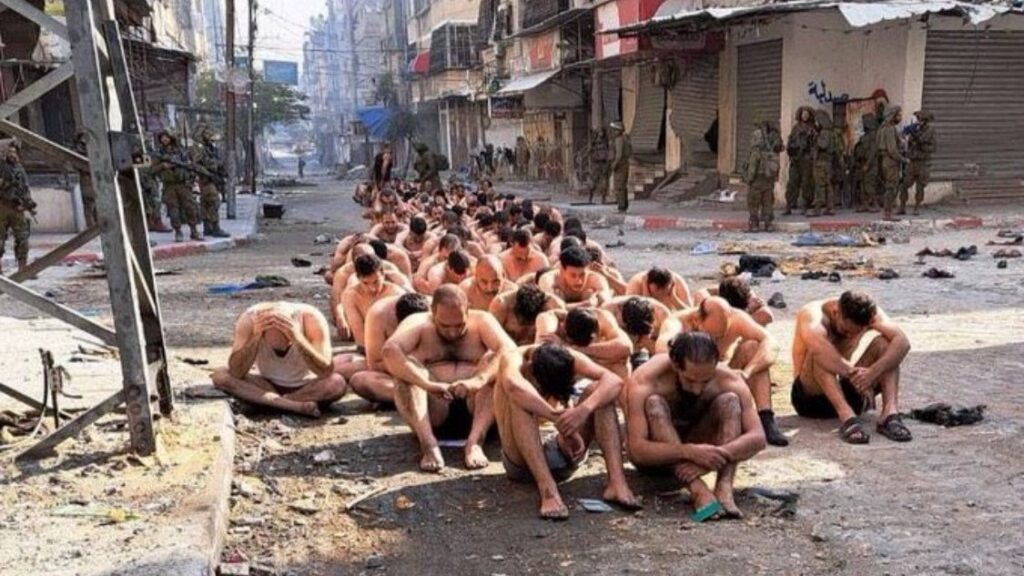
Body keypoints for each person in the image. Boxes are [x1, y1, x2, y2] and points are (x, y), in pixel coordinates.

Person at [626, 332, 767, 519]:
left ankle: (724, 489)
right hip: (659, 460)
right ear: (675, 364)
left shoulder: (728, 378)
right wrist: (688, 452)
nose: (697, 389)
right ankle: (698, 491)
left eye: (705, 381)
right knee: (654, 404)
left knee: (730, 401)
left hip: (704, 453)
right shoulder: (646, 380)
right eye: (690, 380)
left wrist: (715, 456)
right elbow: (637, 449)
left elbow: (758, 437)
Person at [495, 343, 641, 519]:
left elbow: (614, 381)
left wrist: (584, 410)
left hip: (564, 449)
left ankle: (617, 483)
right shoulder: (514, 358)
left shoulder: (569, 357)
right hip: (521, 459)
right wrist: (560, 421)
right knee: (519, 400)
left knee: (600, 392)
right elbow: (513, 386)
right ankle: (548, 491)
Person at [382, 285, 517, 471]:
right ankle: (428, 445)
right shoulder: (418, 323)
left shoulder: (482, 320)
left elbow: (509, 349)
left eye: (460, 324)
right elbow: (390, 351)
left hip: (477, 406)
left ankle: (475, 442)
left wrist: (478, 381)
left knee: (494, 361)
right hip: (434, 409)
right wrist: (427, 384)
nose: (453, 332)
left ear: (467, 311)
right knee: (406, 370)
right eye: (445, 326)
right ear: (433, 312)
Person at [655, 296, 786, 446]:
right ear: (697, 320)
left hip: (722, 380)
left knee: (753, 347)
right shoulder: (676, 323)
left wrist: (748, 372)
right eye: (712, 336)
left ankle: (766, 417)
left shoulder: (738, 318)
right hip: (689, 384)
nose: (716, 340)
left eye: (720, 336)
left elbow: (771, 343)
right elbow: (662, 351)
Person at [792, 291, 912, 444]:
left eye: (855, 333)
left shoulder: (871, 314)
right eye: (845, 330)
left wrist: (872, 373)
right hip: (810, 398)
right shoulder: (813, 314)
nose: (849, 336)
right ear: (836, 313)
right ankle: (847, 418)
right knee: (820, 352)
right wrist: (854, 374)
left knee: (887, 345)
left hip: (849, 390)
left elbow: (903, 342)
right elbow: (820, 350)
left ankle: (889, 414)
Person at [211, 302, 345, 417]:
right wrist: (256, 337)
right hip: (266, 385)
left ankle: (274, 404)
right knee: (221, 376)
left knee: (337, 383)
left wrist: (297, 338)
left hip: (306, 386)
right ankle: (292, 406)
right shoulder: (248, 320)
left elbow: (325, 370)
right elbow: (236, 371)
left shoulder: (311, 318)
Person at [336, 292, 431, 404]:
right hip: (398, 373)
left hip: (435, 374)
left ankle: (425, 397)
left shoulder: (441, 312)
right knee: (360, 380)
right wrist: (406, 366)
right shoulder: (379, 314)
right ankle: (423, 398)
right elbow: (375, 364)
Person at [535, 307, 633, 380]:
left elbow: (626, 347)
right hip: (562, 376)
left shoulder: (602, 317)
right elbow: (542, 360)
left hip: (592, 376)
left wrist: (571, 348)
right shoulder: (549, 323)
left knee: (621, 366)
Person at [339, 254, 407, 349]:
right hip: (366, 345)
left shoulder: (396, 293)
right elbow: (359, 336)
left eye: (376, 282)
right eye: (365, 283)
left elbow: (405, 331)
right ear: (358, 278)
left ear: (383, 275)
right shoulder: (350, 296)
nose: (372, 288)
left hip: (395, 344)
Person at [153, 130, 201, 242]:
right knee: (173, 210)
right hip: (169, 185)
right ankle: (178, 231)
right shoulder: (159, 153)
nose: (164, 139)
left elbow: (190, 166)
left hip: (183, 184)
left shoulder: (181, 151)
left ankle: (194, 230)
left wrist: (190, 179)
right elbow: (152, 170)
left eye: (166, 137)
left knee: (190, 207)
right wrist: (163, 166)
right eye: (162, 137)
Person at [187, 124, 230, 238]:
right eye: (206, 134)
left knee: (207, 203)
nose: (210, 136)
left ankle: (208, 227)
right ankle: (215, 227)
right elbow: (199, 163)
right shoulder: (198, 148)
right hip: (205, 178)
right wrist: (214, 166)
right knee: (213, 202)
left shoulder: (209, 147)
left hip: (210, 178)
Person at [537, 246, 612, 308]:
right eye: (573, 275)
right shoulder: (549, 279)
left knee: (591, 294)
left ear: (588, 269)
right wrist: (585, 304)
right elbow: (549, 306)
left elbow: (606, 303)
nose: (578, 281)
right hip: (561, 317)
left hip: (588, 318)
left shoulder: (596, 279)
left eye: (582, 275)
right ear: (562, 270)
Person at [489, 283, 565, 345]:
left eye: (529, 321)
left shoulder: (554, 306)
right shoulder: (500, 305)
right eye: (521, 320)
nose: (524, 324)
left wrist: (561, 343)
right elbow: (490, 340)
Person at [0, 140, 34, 273]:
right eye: (10, 152)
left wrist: (29, 202)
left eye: (14, 152)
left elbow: (25, 187)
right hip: (2, 207)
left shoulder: (19, 168)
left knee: (23, 238)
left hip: (17, 208)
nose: (12, 154)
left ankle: (22, 268)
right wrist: (6, 184)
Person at [742, 124, 780, 231]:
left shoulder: (755, 152)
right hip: (768, 181)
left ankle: (754, 224)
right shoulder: (769, 152)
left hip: (757, 181)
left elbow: (752, 169)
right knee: (767, 203)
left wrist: (748, 180)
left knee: (754, 203)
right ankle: (768, 224)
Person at [900, 110, 936, 216]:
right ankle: (902, 207)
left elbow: (933, 148)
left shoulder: (930, 131)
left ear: (925, 121)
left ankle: (916, 208)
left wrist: (921, 144)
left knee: (920, 187)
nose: (918, 121)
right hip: (912, 162)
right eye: (918, 119)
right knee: (904, 185)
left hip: (922, 163)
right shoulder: (915, 129)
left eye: (920, 119)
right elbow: (909, 142)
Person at [877, 104, 906, 221]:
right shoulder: (889, 129)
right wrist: (904, 159)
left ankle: (887, 211)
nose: (900, 117)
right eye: (898, 115)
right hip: (891, 161)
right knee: (891, 187)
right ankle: (887, 213)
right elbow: (892, 150)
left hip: (885, 160)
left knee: (890, 186)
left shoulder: (882, 128)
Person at [785, 106, 816, 216]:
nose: (805, 116)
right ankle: (789, 205)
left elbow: (814, 144)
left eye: (807, 114)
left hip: (806, 159)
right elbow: (790, 142)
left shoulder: (812, 128)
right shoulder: (795, 128)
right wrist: (791, 152)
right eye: (803, 113)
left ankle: (805, 206)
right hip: (795, 159)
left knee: (806, 183)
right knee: (792, 183)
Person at [810, 110, 839, 217]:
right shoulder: (832, 133)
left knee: (820, 185)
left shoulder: (824, 133)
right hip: (828, 162)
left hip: (821, 163)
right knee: (828, 185)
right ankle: (830, 208)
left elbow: (823, 145)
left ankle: (817, 209)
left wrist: (816, 137)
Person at [625, 267, 692, 311]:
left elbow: (690, 313)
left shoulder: (678, 283)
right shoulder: (636, 283)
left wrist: (674, 298)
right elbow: (629, 313)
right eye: (658, 289)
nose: (660, 293)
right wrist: (646, 293)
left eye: (663, 289)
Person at [854, 114, 880, 212]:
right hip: (863, 162)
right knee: (863, 186)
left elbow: (873, 151)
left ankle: (875, 204)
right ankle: (865, 205)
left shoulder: (874, 135)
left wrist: (868, 164)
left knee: (870, 185)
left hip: (871, 164)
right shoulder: (865, 135)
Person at [609, 122, 631, 213]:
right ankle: (624, 205)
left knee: (619, 186)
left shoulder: (619, 140)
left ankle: (621, 206)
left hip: (620, 165)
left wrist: (614, 165)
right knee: (622, 186)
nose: (612, 132)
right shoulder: (624, 139)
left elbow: (619, 155)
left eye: (614, 130)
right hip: (624, 163)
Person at [587, 128, 610, 204]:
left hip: (602, 164)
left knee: (603, 182)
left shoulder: (606, 143)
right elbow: (589, 152)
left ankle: (602, 199)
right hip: (597, 164)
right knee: (594, 182)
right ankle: (591, 198)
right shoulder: (594, 143)